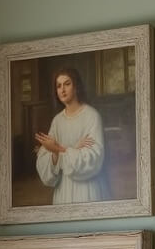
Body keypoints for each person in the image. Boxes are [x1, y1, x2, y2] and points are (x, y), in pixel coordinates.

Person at [35, 67, 110, 204]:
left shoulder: (92, 116)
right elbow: (45, 160)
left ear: (76, 87)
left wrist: (59, 149)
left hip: (87, 189)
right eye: (58, 86)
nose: (62, 90)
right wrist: (65, 151)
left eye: (67, 84)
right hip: (63, 190)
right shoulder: (57, 121)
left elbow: (93, 159)